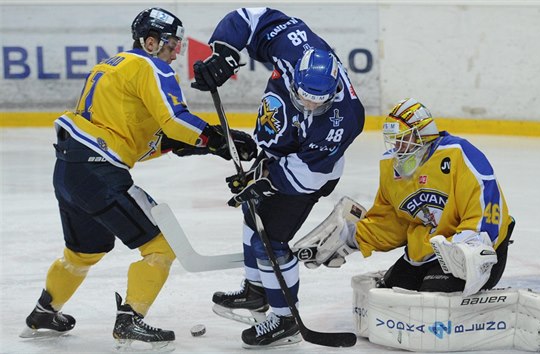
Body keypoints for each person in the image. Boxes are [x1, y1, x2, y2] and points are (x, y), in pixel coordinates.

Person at [21, 7, 257, 350]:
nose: (176, 52)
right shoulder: (151, 66)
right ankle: (130, 321)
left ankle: (43, 313)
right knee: (161, 247)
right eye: (171, 44)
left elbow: (145, 139)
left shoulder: (113, 66)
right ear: (150, 42)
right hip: (99, 169)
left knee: (83, 252)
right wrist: (217, 138)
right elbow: (175, 120)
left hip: (70, 171)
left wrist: (204, 145)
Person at [190, 7, 365, 348]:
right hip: (278, 152)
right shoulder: (293, 45)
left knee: (269, 240)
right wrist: (224, 51)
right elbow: (251, 16)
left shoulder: (344, 119)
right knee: (250, 214)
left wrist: (263, 180)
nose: (309, 106)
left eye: (318, 103)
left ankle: (285, 319)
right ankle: (256, 292)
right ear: (296, 76)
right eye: (302, 97)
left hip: (308, 172)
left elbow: (310, 171)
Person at [298, 97, 514, 298]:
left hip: (475, 252)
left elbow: (487, 208)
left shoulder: (458, 154)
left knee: (432, 298)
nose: (398, 148)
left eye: (404, 140)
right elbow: (392, 222)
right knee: (391, 293)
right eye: (395, 141)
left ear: (424, 134)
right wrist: (352, 237)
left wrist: (469, 248)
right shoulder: (391, 167)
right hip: (426, 251)